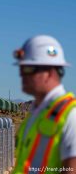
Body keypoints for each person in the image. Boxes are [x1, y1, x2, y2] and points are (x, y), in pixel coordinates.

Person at [13, 35, 76, 173]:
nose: (22, 75)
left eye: (28, 69)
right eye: (21, 69)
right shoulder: (37, 114)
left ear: (49, 73)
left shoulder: (71, 115)